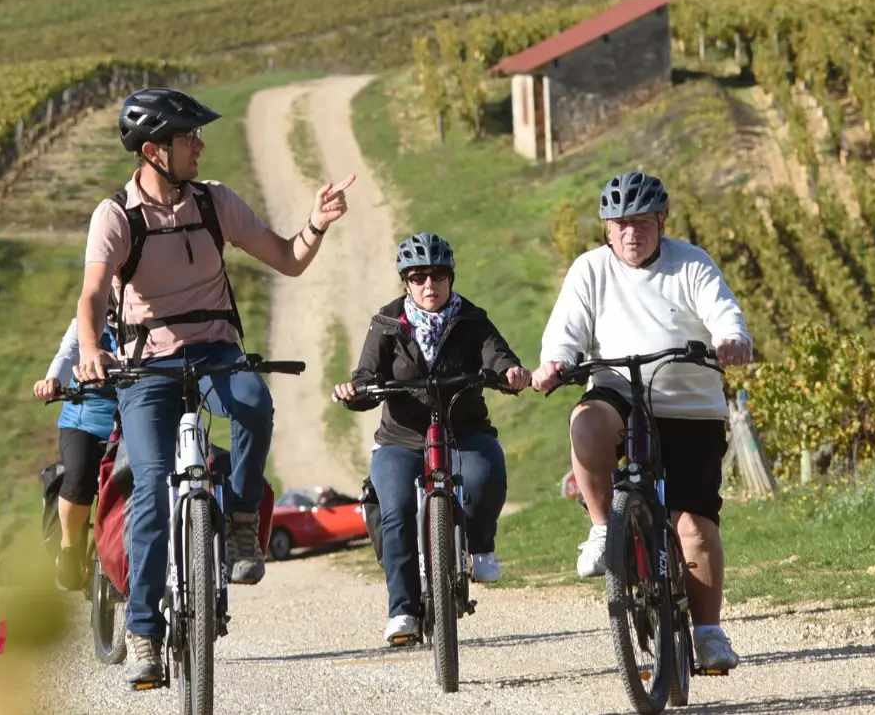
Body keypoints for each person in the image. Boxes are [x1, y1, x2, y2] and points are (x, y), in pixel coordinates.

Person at [72, 87, 353, 687]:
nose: (200, 145)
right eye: (187, 137)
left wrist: (316, 224)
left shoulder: (214, 201)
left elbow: (287, 257)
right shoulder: (116, 217)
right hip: (148, 366)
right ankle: (144, 631)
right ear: (154, 151)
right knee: (148, 484)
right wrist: (93, 350)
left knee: (253, 405)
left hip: (216, 349)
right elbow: (94, 292)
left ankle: (243, 519)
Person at [531, 171, 753, 673]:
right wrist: (555, 363)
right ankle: (602, 528)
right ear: (608, 229)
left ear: (662, 221)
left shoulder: (691, 263)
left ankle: (709, 633)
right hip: (619, 391)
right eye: (622, 224)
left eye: (644, 223)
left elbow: (723, 311)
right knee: (586, 421)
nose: (633, 234)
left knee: (693, 527)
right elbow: (565, 331)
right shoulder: (589, 270)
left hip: (688, 404)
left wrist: (730, 339)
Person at [331, 233, 531, 645]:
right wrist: (355, 392)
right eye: (419, 276)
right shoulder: (386, 323)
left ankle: (480, 547)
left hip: (465, 431)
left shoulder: (472, 320)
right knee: (396, 509)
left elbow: (498, 356)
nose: (429, 285)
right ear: (405, 281)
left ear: (450, 277)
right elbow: (365, 375)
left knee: (486, 474)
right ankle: (402, 610)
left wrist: (511, 372)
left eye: (438, 275)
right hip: (401, 439)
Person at [32, 315, 121, 592]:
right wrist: (52, 380)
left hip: (132, 419)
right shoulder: (89, 317)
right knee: (79, 476)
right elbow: (68, 352)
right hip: (85, 418)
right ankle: (69, 548)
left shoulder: (153, 313)